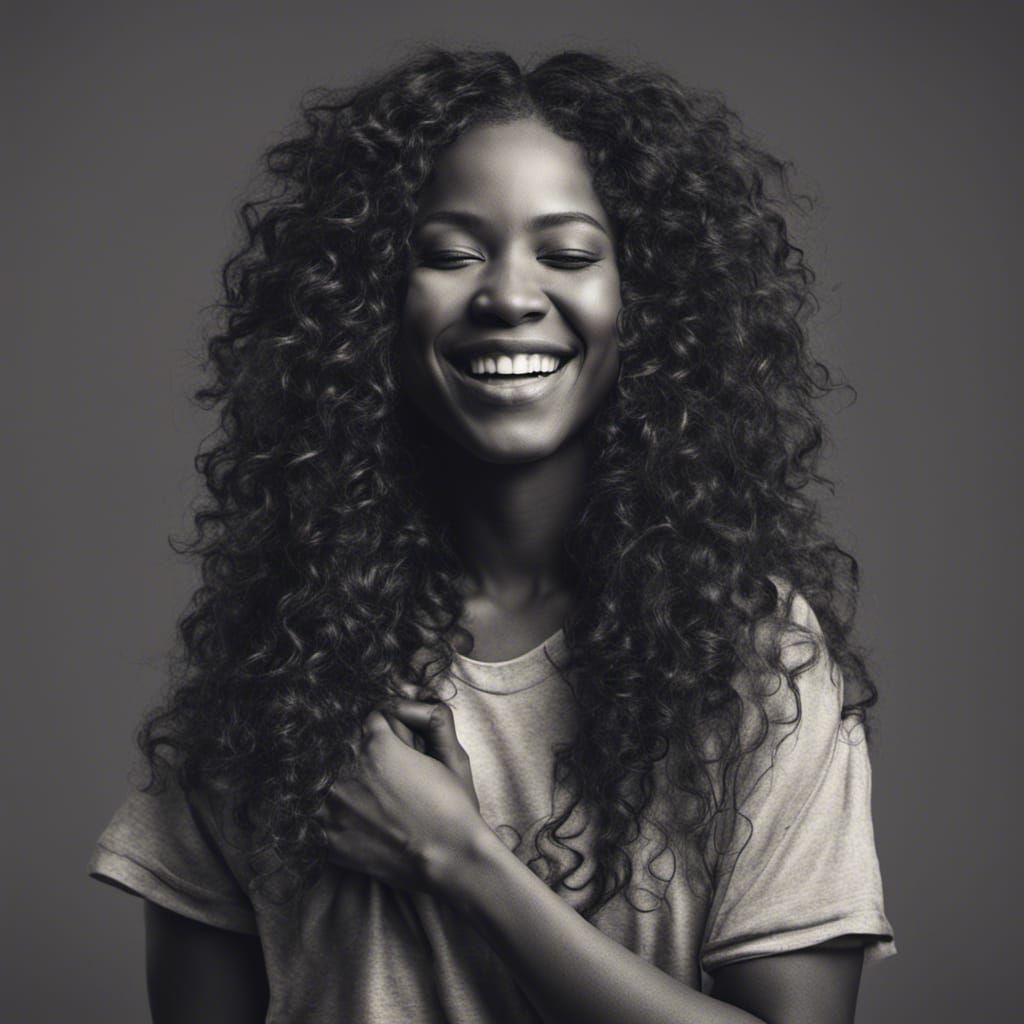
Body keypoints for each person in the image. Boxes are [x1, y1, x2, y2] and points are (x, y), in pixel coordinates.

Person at [90, 49, 895, 1023]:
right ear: (366, 305)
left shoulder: (756, 659)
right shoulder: (275, 655)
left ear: (651, 307)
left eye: (566, 253)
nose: (508, 294)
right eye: (449, 252)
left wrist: (458, 860)